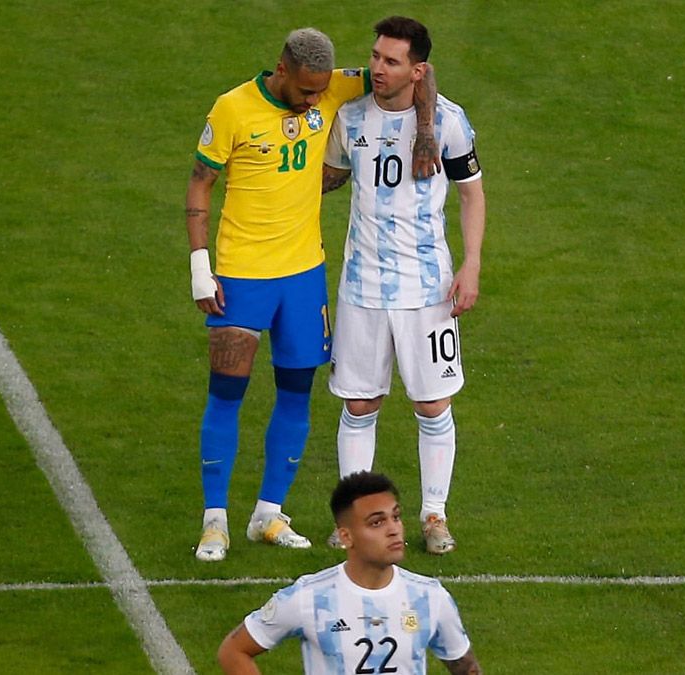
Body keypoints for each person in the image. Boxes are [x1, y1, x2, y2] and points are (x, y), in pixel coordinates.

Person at [186, 27, 440, 562]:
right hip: (241, 274)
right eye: (304, 91)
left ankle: (267, 514)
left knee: (296, 395)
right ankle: (214, 522)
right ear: (282, 70)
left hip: (304, 278)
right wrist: (199, 265)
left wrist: (424, 133)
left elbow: (421, 75)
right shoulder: (231, 109)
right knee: (227, 395)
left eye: (317, 92)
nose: (311, 102)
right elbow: (200, 183)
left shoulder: (331, 88)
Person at [321, 17, 485, 555]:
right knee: (360, 403)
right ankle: (357, 518)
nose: (377, 67)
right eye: (374, 56)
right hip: (361, 287)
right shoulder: (349, 119)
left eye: (390, 61)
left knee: (433, 404)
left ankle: (434, 515)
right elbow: (327, 178)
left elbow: (471, 194)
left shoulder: (450, 123)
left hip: (427, 288)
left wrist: (472, 265)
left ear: (417, 70)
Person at [217, 471, 482, 674]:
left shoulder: (430, 597)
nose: (393, 529)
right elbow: (234, 651)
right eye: (377, 522)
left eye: (396, 517)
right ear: (346, 536)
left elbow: (466, 668)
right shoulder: (309, 597)